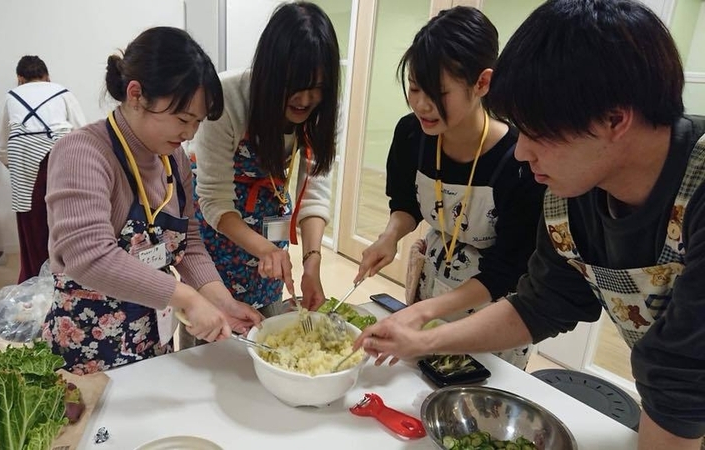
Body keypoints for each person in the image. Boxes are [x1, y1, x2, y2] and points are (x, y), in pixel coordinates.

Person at [355, 1, 705, 447]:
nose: (521, 153)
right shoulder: (569, 194)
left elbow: (679, 380)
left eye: (537, 134)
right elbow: (539, 304)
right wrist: (420, 340)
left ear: (615, 119)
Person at [42, 27, 263, 375]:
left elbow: (188, 242)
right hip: (90, 348)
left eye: (197, 122)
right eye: (182, 118)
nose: (190, 133)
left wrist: (220, 299)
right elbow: (89, 257)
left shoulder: (173, 160)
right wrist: (188, 298)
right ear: (136, 94)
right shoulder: (82, 153)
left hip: (153, 337)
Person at [354, 7, 545, 369]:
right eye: (413, 88)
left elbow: (505, 270)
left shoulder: (520, 160)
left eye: (438, 92)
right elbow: (406, 203)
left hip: (493, 314)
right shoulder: (412, 134)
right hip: (433, 290)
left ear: (482, 83)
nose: (422, 105)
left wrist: (422, 313)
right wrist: (390, 236)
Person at [189, 2, 340, 317]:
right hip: (221, 231)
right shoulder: (228, 98)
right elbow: (214, 199)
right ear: (269, 75)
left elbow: (314, 191)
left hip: (271, 227)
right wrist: (263, 248)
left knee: (268, 325)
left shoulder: (323, 111)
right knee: (213, 330)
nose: (305, 100)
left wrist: (312, 262)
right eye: (293, 88)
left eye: (317, 89)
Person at [0, 55, 86, 283]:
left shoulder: (11, 96)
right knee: (67, 215)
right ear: (47, 77)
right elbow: (82, 131)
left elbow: (1, 145)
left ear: (20, 79)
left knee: (31, 221)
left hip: (23, 156)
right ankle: (70, 275)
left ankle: (35, 277)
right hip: (60, 152)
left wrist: (15, 168)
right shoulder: (61, 91)